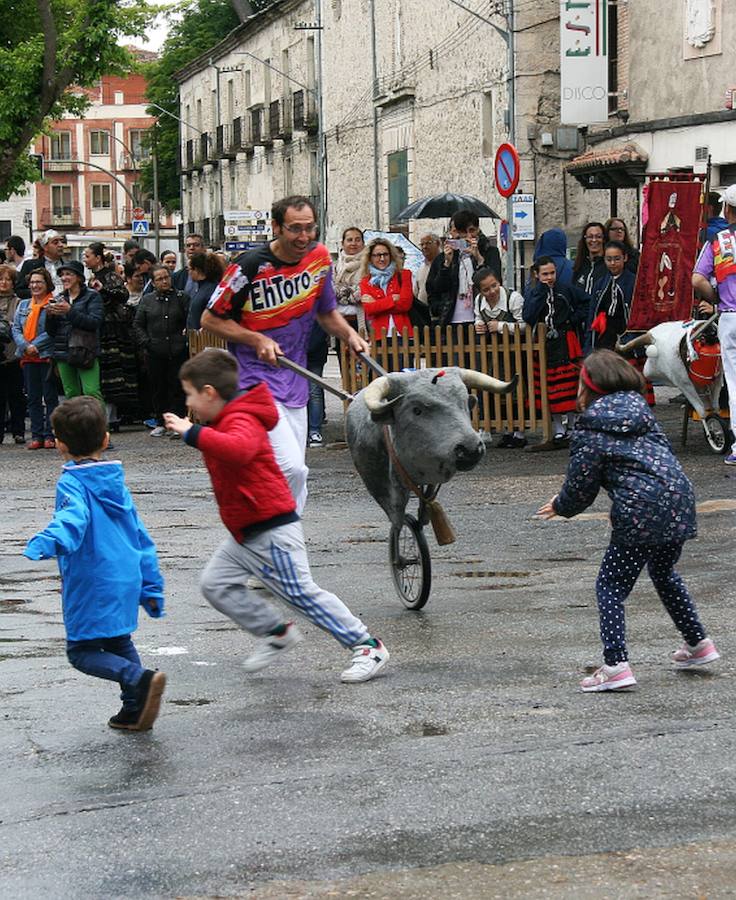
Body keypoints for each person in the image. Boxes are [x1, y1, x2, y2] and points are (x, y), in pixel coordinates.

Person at [163, 349, 389, 683]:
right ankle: (276, 631)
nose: (189, 404)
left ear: (209, 393)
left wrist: (190, 432)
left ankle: (367, 645)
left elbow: (238, 450)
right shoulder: (227, 418)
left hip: (271, 528)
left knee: (301, 594)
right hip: (246, 531)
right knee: (215, 584)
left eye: (190, 395)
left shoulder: (242, 418)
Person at [537, 350, 720, 692]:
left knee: (610, 586)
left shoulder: (590, 428)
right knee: (664, 572)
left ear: (588, 387)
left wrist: (561, 506)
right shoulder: (642, 412)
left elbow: (581, 488)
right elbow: (654, 461)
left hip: (640, 512)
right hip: (678, 500)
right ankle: (698, 643)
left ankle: (615, 665)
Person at [200, 195, 370, 516]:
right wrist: (254, 338)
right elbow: (210, 319)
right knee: (292, 469)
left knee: (297, 471)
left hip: (296, 380)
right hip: (254, 381)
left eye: (309, 228)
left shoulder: (319, 258)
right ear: (276, 227)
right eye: (295, 229)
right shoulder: (249, 266)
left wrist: (349, 335)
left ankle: (282, 534)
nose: (303, 237)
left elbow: (326, 312)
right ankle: (277, 533)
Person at [23, 396, 167, 730]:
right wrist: (151, 584)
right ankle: (134, 707)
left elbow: (72, 520)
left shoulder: (72, 482)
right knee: (118, 640)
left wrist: (47, 541)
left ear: (59, 445)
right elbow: (139, 534)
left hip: (93, 579)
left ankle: (138, 679)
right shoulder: (116, 483)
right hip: (125, 575)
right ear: (105, 439)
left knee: (81, 652)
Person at [522, 256, 589, 450]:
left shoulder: (566, 290)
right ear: (537, 274)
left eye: (552, 273)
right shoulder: (534, 293)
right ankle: (558, 429)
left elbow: (586, 301)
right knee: (550, 388)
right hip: (545, 345)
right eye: (545, 274)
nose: (549, 277)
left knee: (569, 385)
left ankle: (573, 427)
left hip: (565, 341)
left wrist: (573, 320)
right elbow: (529, 316)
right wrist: (541, 292)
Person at [692, 183, 736, 465]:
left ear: (728, 209)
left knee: (735, 383)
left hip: (731, 315)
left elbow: (697, 279)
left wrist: (716, 295)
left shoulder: (718, 241)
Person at [84, 242, 137, 431]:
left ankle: (112, 416)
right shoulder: (90, 278)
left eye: (88, 255)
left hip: (112, 328)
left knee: (114, 370)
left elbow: (122, 295)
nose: (85, 259)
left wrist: (103, 290)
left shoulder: (110, 275)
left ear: (98, 258)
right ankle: (106, 416)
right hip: (99, 327)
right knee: (104, 372)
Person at [133, 265, 189, 437]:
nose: (164, 281)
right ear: (153, 282)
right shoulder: (147, 300)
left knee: (178, 387)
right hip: (155, 351)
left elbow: (189, 320)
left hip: (178, 350)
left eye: (167, 277)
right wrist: (146, 343)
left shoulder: (182, 297)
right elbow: (138, 324)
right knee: (158, 388)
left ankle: (178, 422)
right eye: (160, 279)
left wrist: (184, 339)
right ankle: (160, 421)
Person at [472, 267, 526, 448]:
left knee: (516, 388)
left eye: (494, 286)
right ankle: (505, 429)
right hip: (492, 353)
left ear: (499, 282)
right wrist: (478, 325)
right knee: (495, 387)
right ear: (480, 291)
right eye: (486, 289)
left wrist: (502, 326)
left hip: (514, 351)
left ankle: (518, 431)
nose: (491, 291)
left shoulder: (513, 298)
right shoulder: (479, 301)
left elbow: (525, 325)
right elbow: (478, 318)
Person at [426, 210, 501, 329]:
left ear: (478, 230)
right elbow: (435, 289)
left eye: (472, 230)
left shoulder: (489, 252)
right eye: (462, 232)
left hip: (482, 320)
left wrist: (479, 258)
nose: (468, 236)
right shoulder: (443, 257)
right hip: (451, 320)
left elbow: (495, 282)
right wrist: (446, 264)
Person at [45, 259, 105, 408]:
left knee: (91, 392)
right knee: (71, 393)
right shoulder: (59, 298)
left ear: (79, 277)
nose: (64, 278)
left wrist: (70, 311)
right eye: (62, 275)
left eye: (68, 274)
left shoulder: (92, 296)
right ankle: (76, 428)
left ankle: (99, 428)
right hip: (63, 352)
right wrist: (50, 316)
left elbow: (94, 322)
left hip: (86, 351)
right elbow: (52, 332)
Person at [12, 268, 59, 449]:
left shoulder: (54, 303)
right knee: (32, 398)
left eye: (39, 282)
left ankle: (50, 434)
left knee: (49, 397)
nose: (35, 285)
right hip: (27, 358)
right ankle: (36, 435)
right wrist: (25, 346)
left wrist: (35, 346)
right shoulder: (23, 305)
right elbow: (15, 328)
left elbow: (53, 331)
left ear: (47, 284)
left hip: (46, 356)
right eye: (32, 282)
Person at [585, 240, 636, 352]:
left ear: (625, 258)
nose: (613, 263)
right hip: (604, 337)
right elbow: (592, 313)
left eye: (617, 259)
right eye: (609, 259)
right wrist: (589, 345)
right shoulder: (600, 284)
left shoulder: (633, 282)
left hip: (626, 336)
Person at [359, 238, 414, 340]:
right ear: (370, 258)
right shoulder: (365, 281)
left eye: (385, 254)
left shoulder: (404, 275)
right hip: (379, 336)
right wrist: (392, 299)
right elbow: (369, 309)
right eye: (377, 255)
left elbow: (405, 304)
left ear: (391, 255)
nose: (382, 259)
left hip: (403, 334)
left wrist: (377, 303)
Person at [0, 264, 26, 444]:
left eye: (8, 279)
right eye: (1, 279)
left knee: (16, 394)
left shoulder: (19, 302)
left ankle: (18, 431)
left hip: (14, 353)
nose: (4, 282)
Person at [16, 229, 66, 299]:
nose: (61, 245)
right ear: (45, 247)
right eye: (55, 243)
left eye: (62, 242)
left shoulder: (68, 266)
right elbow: (20, 290)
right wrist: (39, 292)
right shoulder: (30, 265)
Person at [186, 251, 225, 330]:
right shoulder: (205, 288)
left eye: (189, 269)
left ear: (196, 270)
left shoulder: (209, 291)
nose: (189, 273)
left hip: (206, 339)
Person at [306, 320, 329, 448]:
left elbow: (321, 331)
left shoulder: (316, 307)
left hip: (314, 356)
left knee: (314, 393)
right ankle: (309, 431)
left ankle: (314, 430)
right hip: (297, 355)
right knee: (301, 393)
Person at [413, 233, 441, 328]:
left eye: (428, 243)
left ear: (437, 244)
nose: (424, 247)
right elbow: (416, 292)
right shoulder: (421, 268)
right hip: (423, 317)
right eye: (422, 244)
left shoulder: (444, 264)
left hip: (440, 316)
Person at [572, 222, 607, 295]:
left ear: (604, 239)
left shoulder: (608, 266)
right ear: (585, 239)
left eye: (598, 236)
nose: (594, 240)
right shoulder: (579, 266)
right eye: (590, 237)